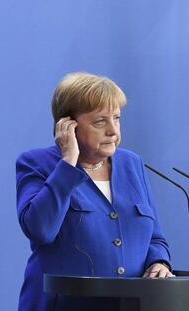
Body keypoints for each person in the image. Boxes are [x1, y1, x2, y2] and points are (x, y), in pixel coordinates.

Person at [16, 72, 173, 310]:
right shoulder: (37, 164)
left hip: (130, 304)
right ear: (67, 125)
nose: (113, 130)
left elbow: (155, 238)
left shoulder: (132, 164)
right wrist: (68, 162)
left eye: (117, 118)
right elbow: (40, 230)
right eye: (100, 121)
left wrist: (159, 262)